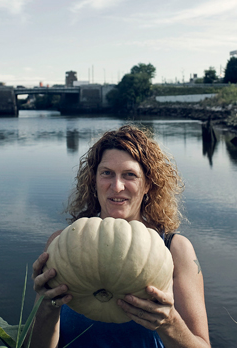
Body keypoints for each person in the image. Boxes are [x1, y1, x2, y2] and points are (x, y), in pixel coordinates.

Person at [30, 125, 210, 348]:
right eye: (107, 173)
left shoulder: (175, 250)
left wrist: (169, 323)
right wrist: (47, 310)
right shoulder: (63, 244)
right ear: (94, 181)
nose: (117, 186)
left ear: (147, 185)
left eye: (130, 175)